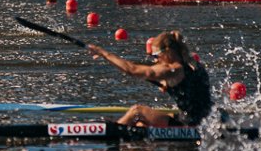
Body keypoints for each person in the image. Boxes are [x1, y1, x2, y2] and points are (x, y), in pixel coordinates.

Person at [84, 29, 213, 128]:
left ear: (167, 52)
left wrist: (104, 53)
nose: (155, 60)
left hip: (192, 124)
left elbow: (132, 70)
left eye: (156, 56)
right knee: (141, 123)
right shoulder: (191, 64)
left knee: (137, 111)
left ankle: (111, 133)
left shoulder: (173, 69)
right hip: (204, 119)